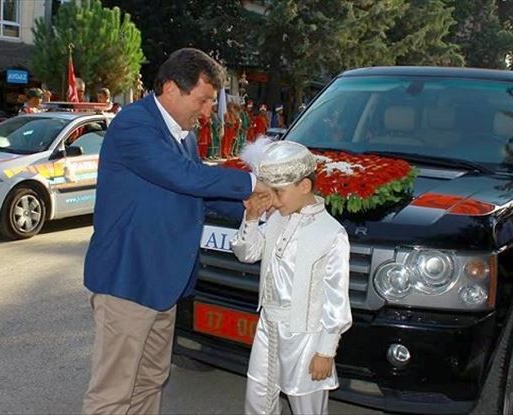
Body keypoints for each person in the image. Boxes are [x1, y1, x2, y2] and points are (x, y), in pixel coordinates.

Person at [82, 47, 269, 415]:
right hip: (128, 282)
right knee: (113, 393)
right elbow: (185, 176)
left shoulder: (180, 133)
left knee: (151, 379)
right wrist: (253, 182)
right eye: (202, 101)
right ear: (171, 89)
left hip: (163, 282)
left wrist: (254, 208)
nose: (205, 113)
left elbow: (196, 193)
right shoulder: (134, 124)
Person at [232, 140, 352, 415]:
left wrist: (326, 351)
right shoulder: (277, 219)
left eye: (278, 192)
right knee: (258, 397)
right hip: (268, 327)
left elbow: (336, 298)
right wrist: (251, 218)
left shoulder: (331, 233)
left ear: (304, 186)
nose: (271, 200)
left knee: (305, 403)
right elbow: (247, 253)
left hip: (305, 334)